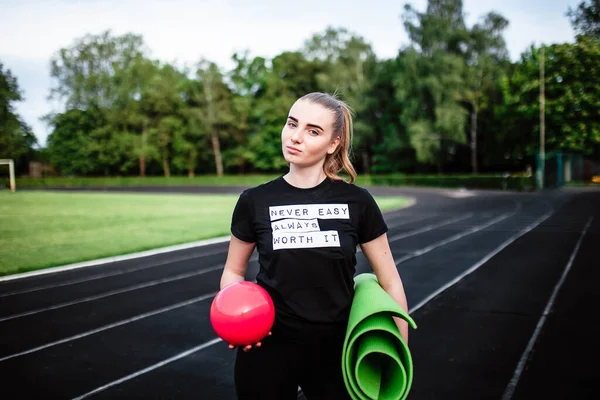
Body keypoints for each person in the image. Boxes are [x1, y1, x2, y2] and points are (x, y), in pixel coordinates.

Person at [219, 92, 410, 400]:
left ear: (333, 144)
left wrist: (397, 353)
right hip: (268, 348)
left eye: (313, 131)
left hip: (335, 350)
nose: (295, 137)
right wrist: (235, 318)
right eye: (292, 124)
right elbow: (232, 271)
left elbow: (390, 282)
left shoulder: (358, 202)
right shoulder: (254, 201)